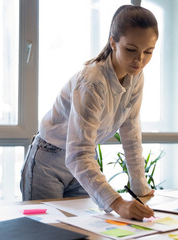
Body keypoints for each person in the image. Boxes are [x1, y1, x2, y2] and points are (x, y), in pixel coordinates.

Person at [20, 4, 158, 221]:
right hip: (49, 162)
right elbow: (77, 154)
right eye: (131, 49)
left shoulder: (136, 77)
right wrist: (119, 204)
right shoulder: (92, 82)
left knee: (85, 229)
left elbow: (130, 131)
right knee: (45, 231)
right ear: (113, 42)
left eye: (148, 52)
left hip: (83, 162)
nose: (139, 60)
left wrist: (140, 187)